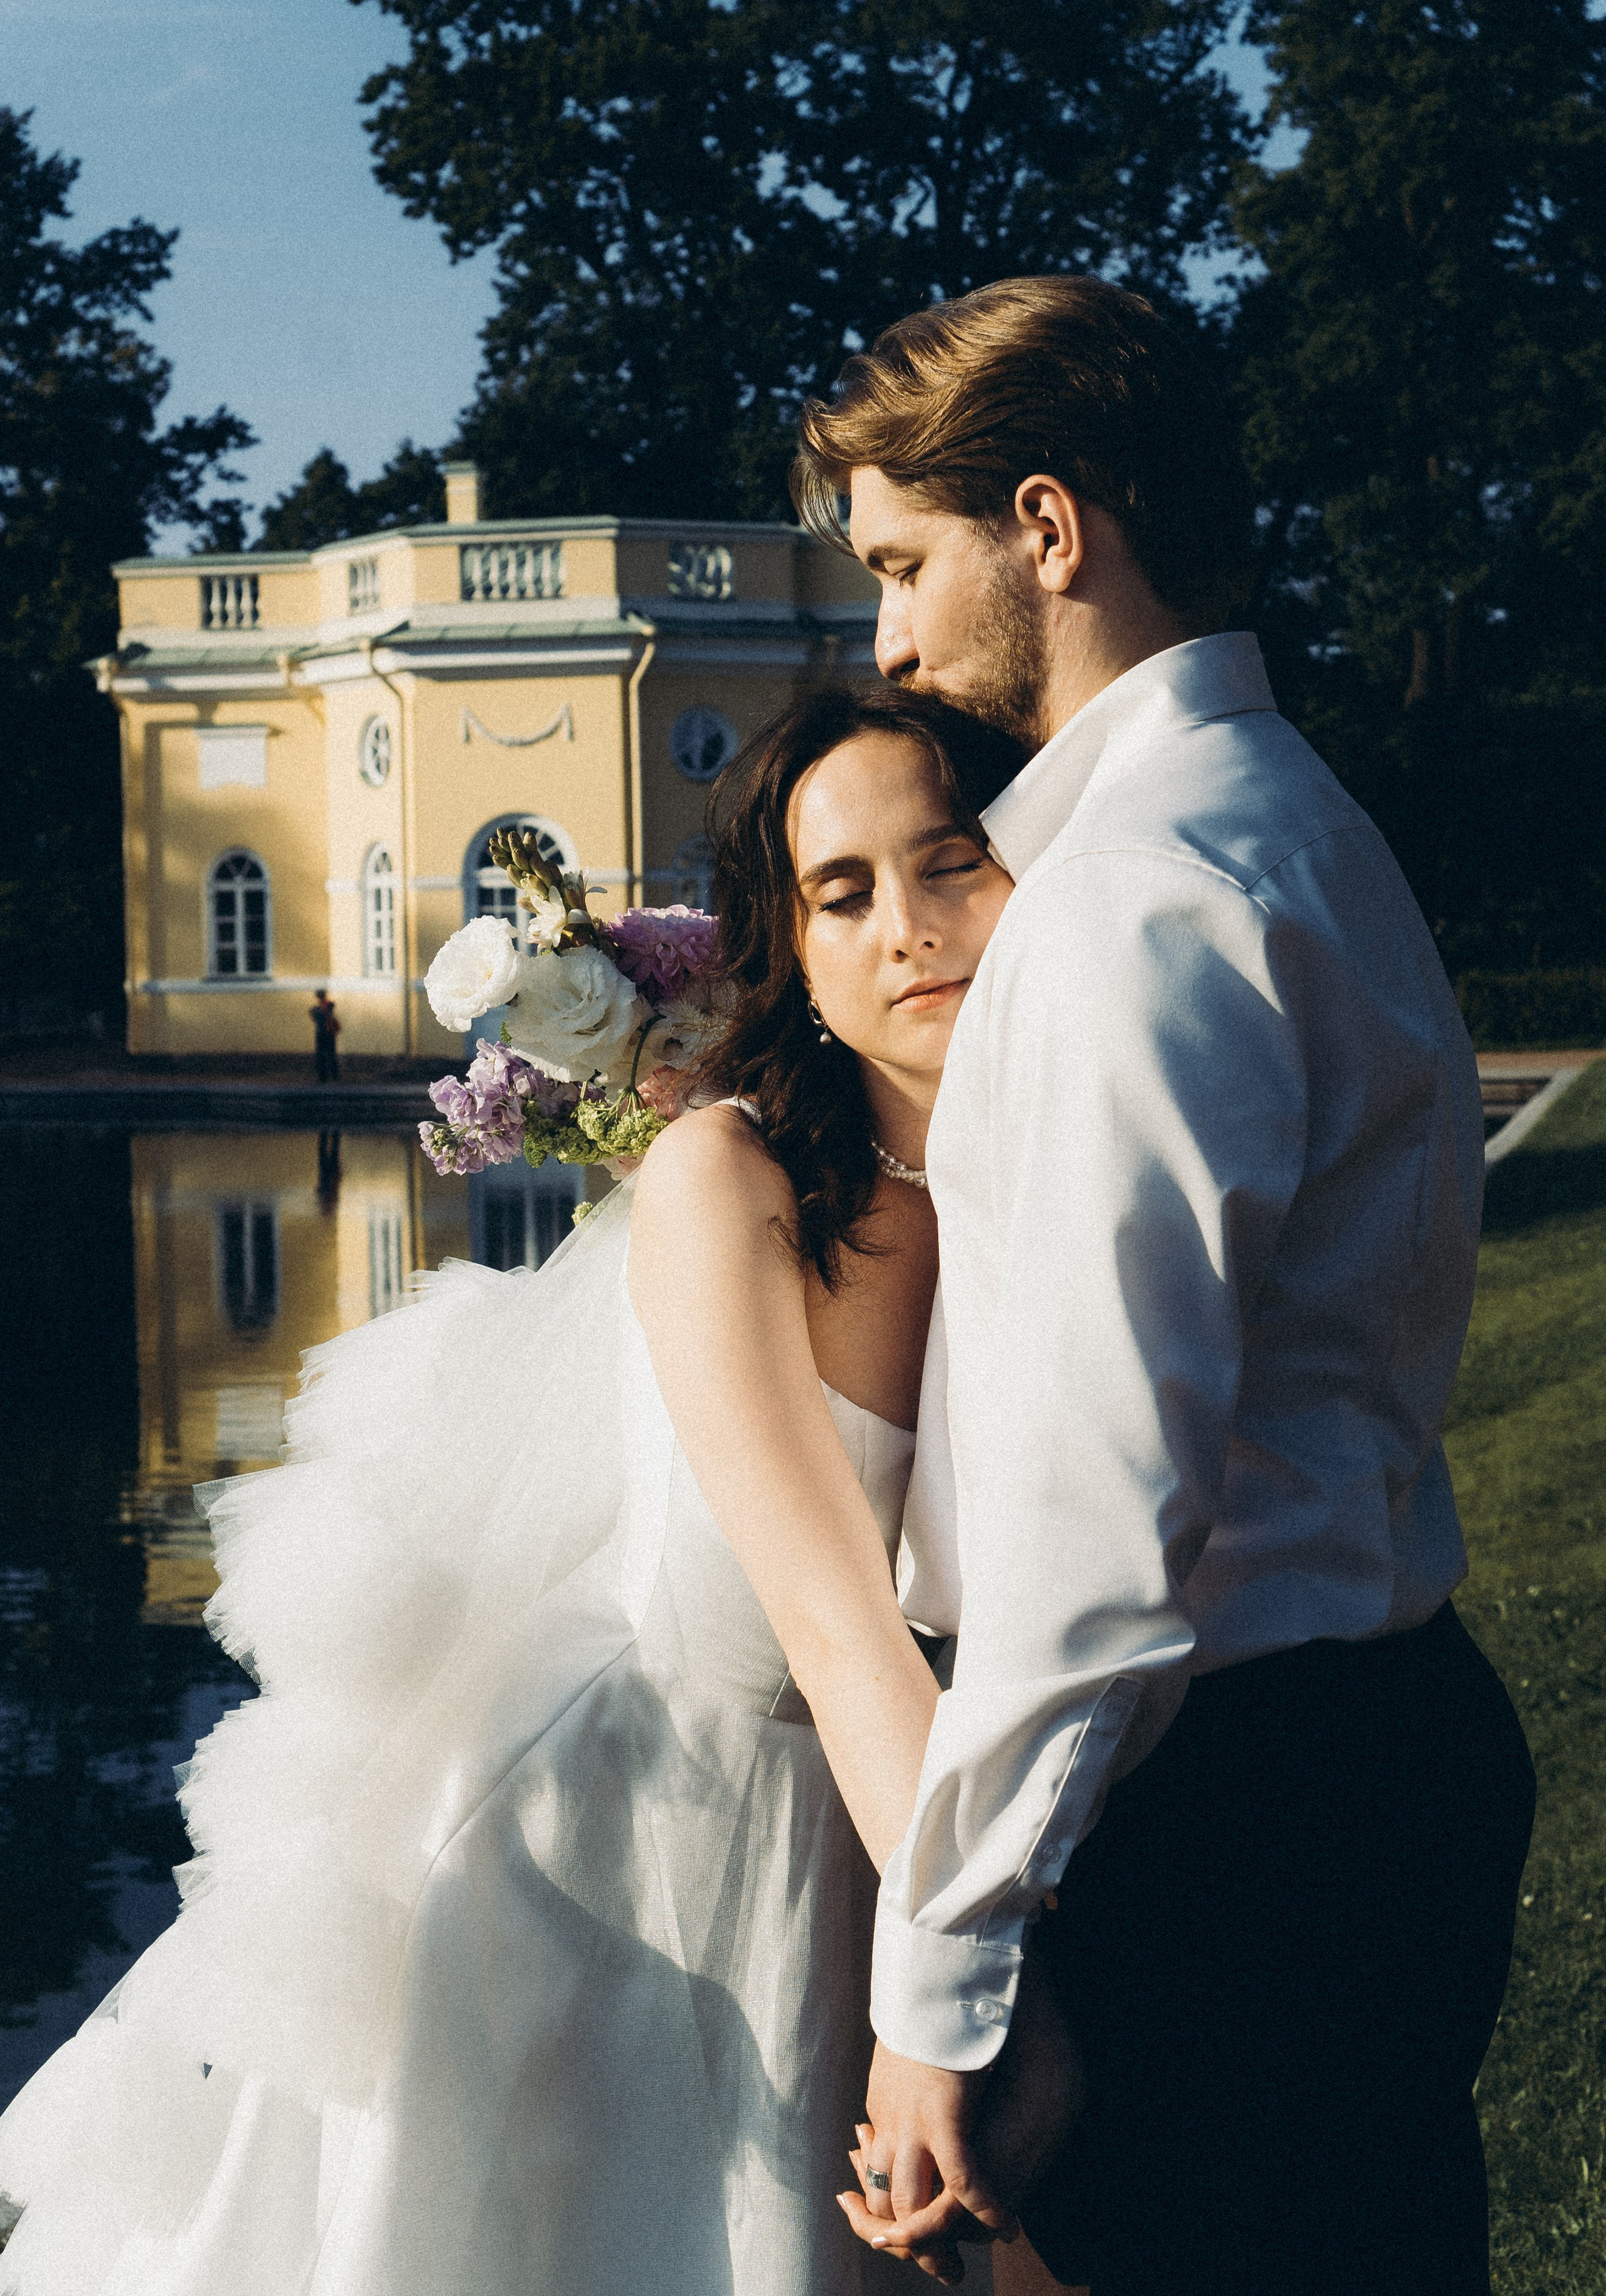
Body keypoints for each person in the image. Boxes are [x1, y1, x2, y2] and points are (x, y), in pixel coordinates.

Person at [0, 683, 1046, 2296]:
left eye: (950, 861)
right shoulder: (726, 1178)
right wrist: (994, 1989)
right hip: (602, 1860)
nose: (906, 928)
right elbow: (842, 1637)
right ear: (794, 954)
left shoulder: (1037, 1177)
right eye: (842, 892)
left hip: (853, 1834)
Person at [795, 277, 1536, 2295]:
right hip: (1378, 1734)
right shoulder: (1307, 825)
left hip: (1233, 1817)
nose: (885, 641)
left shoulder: (1133, 901)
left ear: (1047, 527)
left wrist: (938, 1987)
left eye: (901, 564)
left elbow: (1094, 1520)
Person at [309, 987, 341, 1083]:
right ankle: (330, 1076)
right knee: (327, 1055)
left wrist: (317, 1012)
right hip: (327, 1033)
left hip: (325, 1032)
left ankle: (327, 1077)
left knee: (325, 1055)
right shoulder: (321, 1007)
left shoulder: (327, 1006)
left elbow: (317, 1017)